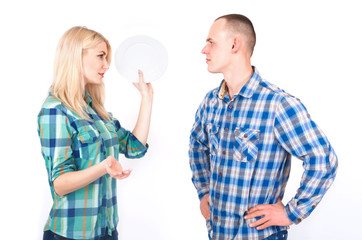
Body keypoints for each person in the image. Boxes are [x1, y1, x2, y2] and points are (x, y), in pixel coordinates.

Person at [189, 14, 338, 240]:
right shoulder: (211, 102)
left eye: (211, 42)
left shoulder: (278, 104)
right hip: (217, 234)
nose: (204, 50)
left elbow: (323, 160)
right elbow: (197, 145)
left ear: (234, 44)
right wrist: (204, 191)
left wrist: (292, 213)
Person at [37, 26, 153, 240]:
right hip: (71, 235)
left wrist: (146, 99)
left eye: (106, 57)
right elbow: (60, 184)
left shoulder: (97, 112)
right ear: (76, 57)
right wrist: (103, 167)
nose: (106, 65)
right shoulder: (54, 111)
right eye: (100, 56)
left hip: (106, 232)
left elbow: (135, 148)